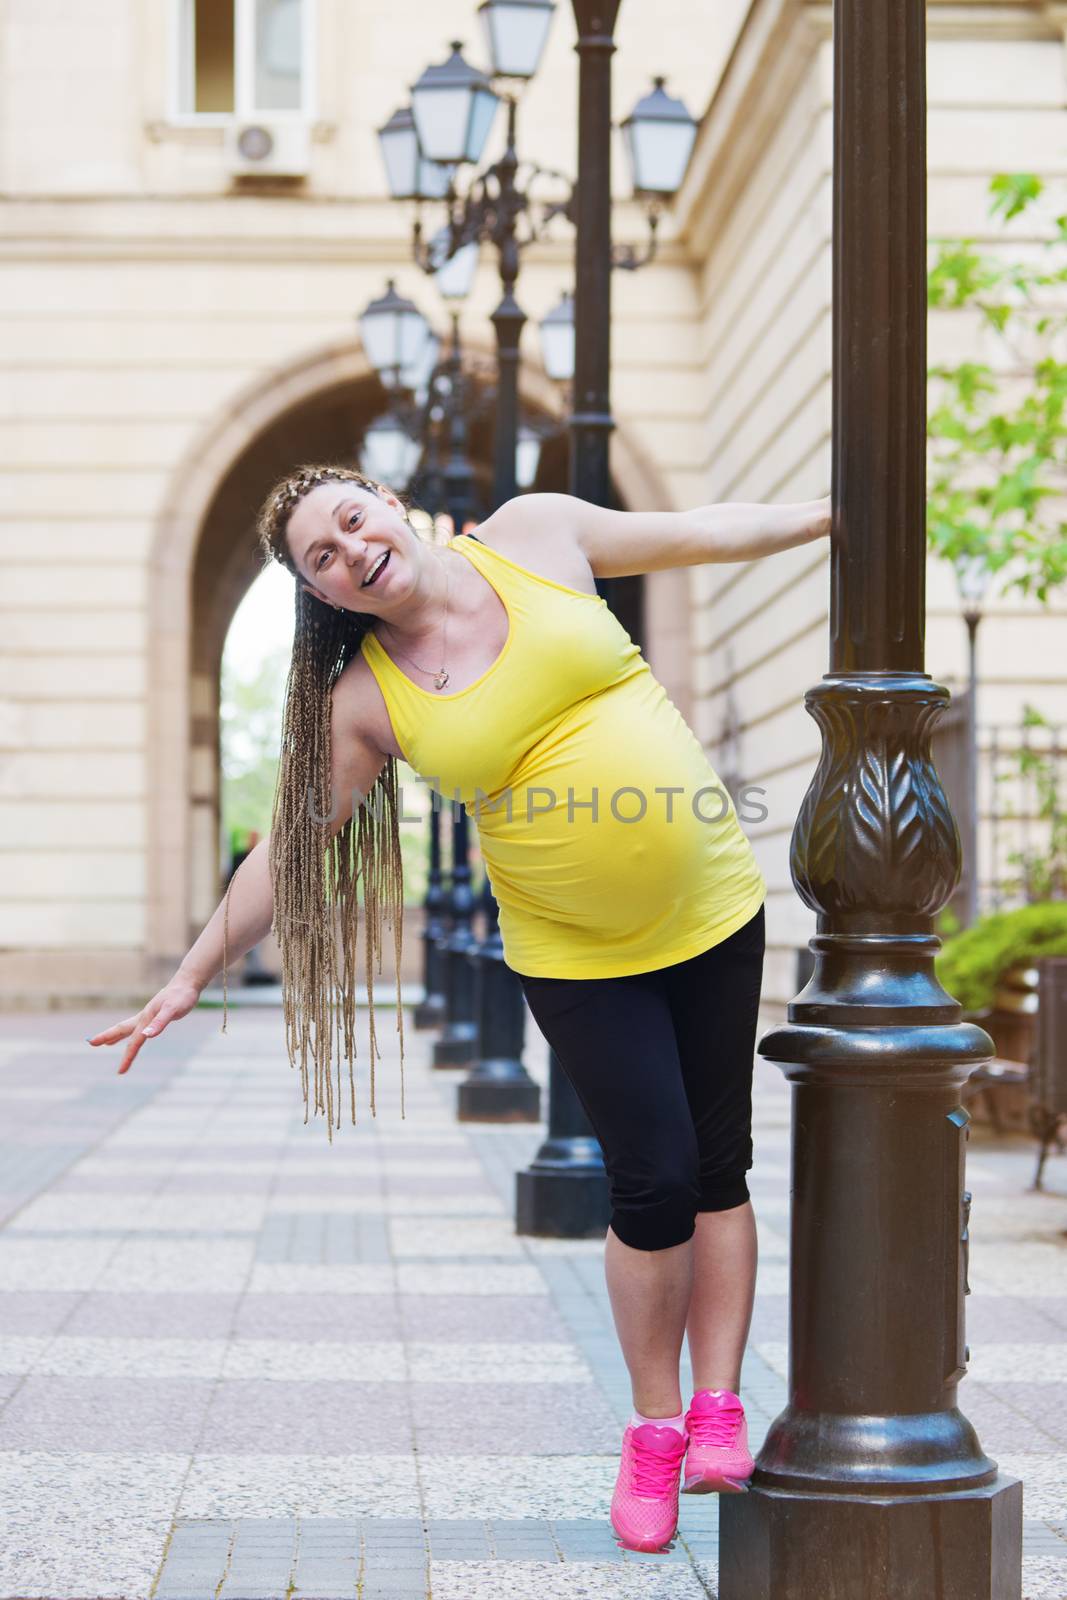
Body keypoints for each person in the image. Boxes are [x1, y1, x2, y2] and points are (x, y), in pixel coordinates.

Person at [90, 466, 831, 1553]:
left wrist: (828, 512)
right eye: (322, 560)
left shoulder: (532, 537)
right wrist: (192, 972)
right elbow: (292, 850)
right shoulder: (365, 700)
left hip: (714, 906)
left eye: (350, 521)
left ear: (386, 500)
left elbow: (698, 531)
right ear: (326, 596)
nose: (348, 552)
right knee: (652, 1172)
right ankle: (653, 1426)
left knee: (720, 1162)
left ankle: (719, 1405)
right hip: (574, 953)